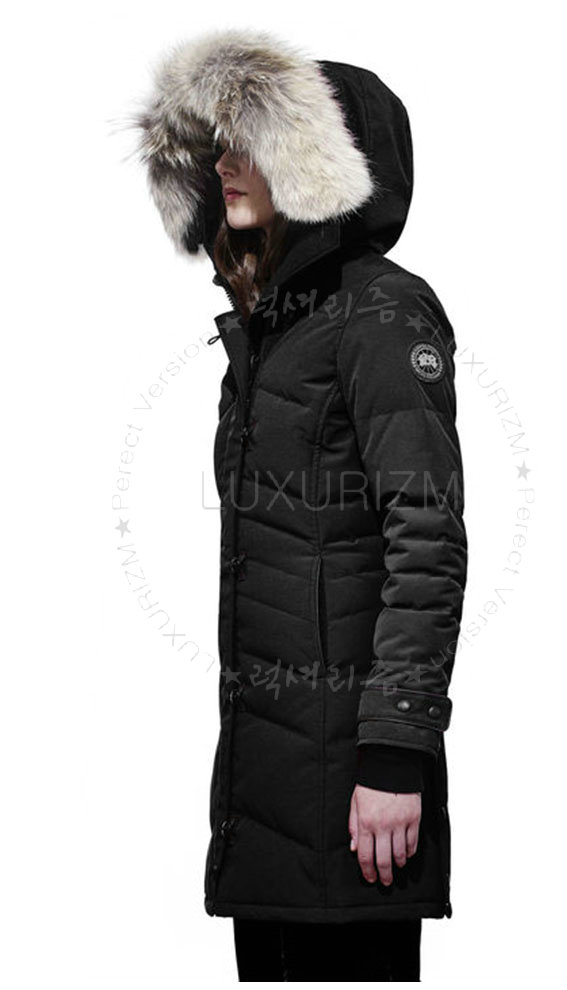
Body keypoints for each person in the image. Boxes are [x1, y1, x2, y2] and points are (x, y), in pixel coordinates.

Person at [127, 26, 468, 982]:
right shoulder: (271, 326)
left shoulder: (381, 311)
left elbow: (426, 537)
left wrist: (396, 754)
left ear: (316, 161)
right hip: (273, 779)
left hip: (357, 783)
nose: (224, 165)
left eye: (251, 143)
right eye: (219, 146)